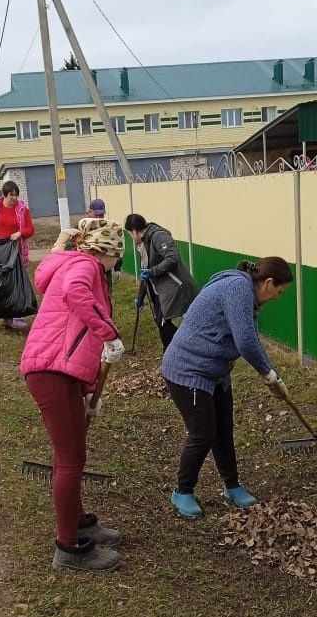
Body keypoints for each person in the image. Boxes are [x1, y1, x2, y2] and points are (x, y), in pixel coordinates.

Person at [20, 218, 126, 572]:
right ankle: (69, 548)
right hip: (51, 372)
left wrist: (88, 389)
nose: (116, 264)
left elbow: (72, 336)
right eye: (116, 255)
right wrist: (109, 332)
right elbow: (75, 295)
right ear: (106, 251)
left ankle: (79, 523)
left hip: (59, 371)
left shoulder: (71, 262)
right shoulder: (85, 265)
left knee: (75, 453)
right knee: (69, 459)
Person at [161, 258, 292, 518]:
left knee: (223, 430)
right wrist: (270, 375)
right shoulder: (237, 289)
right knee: (203, 433)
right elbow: (245, 341)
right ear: (268, 283)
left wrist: (272, 376)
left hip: (216, 371)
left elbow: (248, 336)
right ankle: (182, 491)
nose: (277, 297)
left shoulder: (246, 295)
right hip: (188, 369)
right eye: (279, 291)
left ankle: (231, 486)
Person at [124, 213, 198, 349]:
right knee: (161, 323)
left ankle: (187, 349)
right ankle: (172, 356)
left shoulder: (158, 236)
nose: (131, 237)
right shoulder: (144, 243)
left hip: (175, 286)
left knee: (164, 323)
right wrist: (139, 299)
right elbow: (145, 271)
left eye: (130, 234)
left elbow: (172, 258)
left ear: (134, 231)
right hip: (161, 290)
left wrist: (153, 271)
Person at [0, 180, 35, 330]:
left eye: (16, 195)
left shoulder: (23, 210)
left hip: (16, 252)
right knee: (2, 285)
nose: (14, 198)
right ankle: (6, 316)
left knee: (17, 283)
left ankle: (18, 316)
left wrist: (19, 233)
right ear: (4, 195)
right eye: (11, 195)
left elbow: (30, 229)